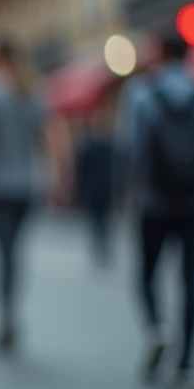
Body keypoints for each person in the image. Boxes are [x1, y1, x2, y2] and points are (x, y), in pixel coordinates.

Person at [117, 31, 194, 389]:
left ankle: (156, 329)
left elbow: (131, 150)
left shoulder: (139, 93)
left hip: (154, 203)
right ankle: (186, 364)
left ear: (159, 53)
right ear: (188, 55)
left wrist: (130, 194)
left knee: (147, 274)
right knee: (192, 280)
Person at [0, 39, 72, 354]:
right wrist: (60, 178)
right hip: (27, 186)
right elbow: (55, 137)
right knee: (14, 252)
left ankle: (6, 315)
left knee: (2, 253)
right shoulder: (34, 92)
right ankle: (11, 311)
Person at [75, 109, 118, 269]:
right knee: (103, 218)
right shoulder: (111, 145)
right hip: (106, 187)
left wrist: (80, 188)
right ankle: (102, 244)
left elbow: (81, 169)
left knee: (97, 218)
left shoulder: (88, 145)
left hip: (94, 188)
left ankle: (99, 244)